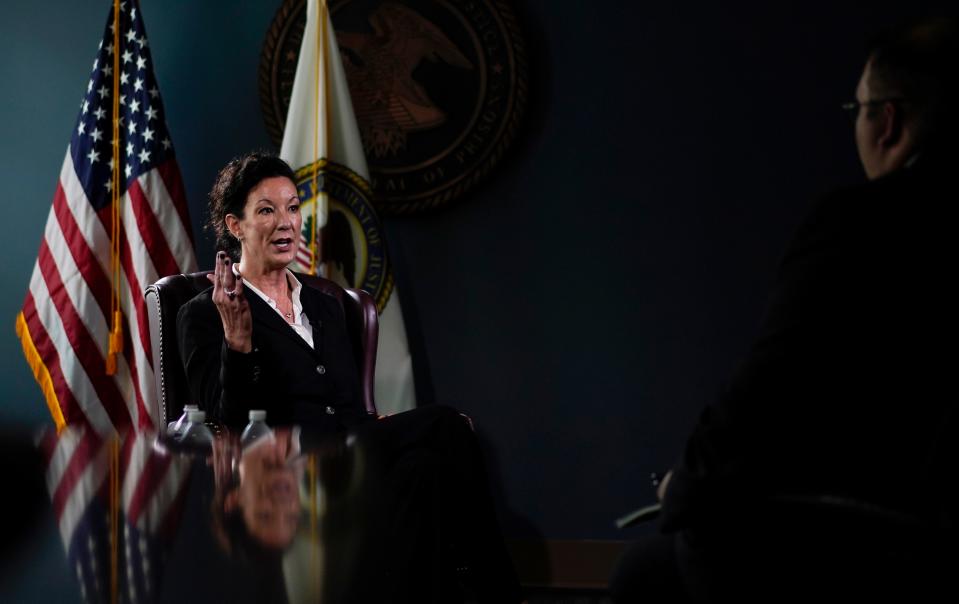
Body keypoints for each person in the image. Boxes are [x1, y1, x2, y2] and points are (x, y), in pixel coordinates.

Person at [610, 17, 958, 603]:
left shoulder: (861, 223)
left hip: (870, 540)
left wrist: (683, 487)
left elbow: (766, 393)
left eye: (859, 108)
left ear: (888, 122)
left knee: (644, 572)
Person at [177, 152, 523, 603]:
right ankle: (501, 594)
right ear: (236, 225)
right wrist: (238, 345)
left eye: (292, 207)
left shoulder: (326, 304)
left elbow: (351, 406)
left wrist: (376, 427)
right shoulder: (202, 313)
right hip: (286, 473)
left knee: (425, 468)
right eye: (267, 210)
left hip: (352, 457)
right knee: (446, 425)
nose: (286, 222)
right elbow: (230, 427)